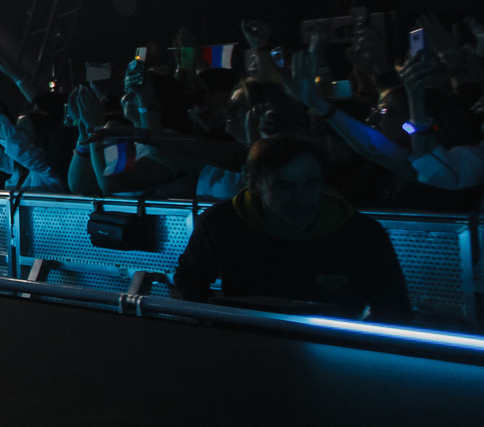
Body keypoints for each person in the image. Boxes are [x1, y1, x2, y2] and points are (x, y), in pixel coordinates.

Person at [171, 136, 411, 320]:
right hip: (246, 346)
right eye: (284, 187)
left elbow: (393, 308)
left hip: (333, 354)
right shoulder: (222, 221)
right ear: (254, 184)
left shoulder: (359, 232)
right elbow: (189, 277)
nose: (301, 198)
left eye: (312, 184)